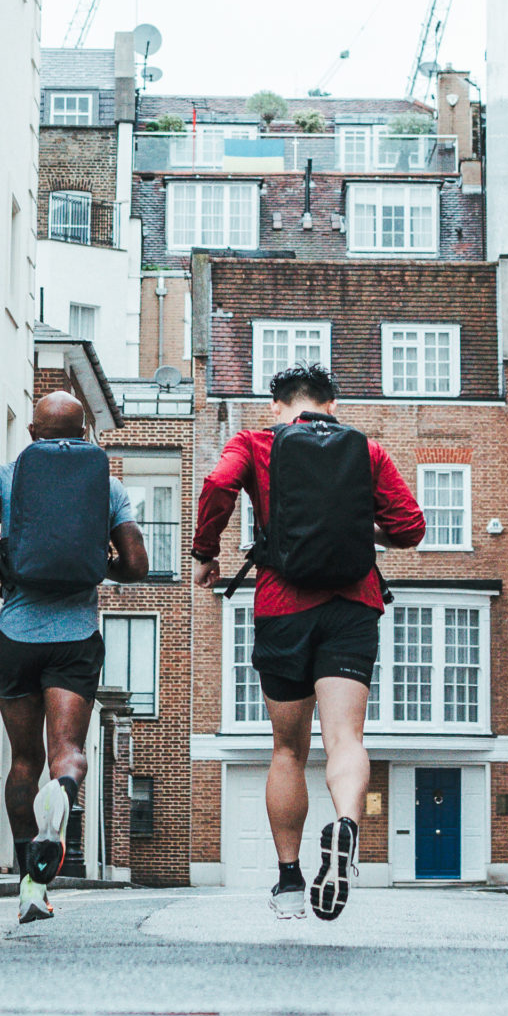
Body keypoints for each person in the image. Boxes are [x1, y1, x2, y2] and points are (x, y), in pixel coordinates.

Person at [190, 361, 425, 921]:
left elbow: (218, 484)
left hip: (283, 606)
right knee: (346, 738)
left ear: (279, 406)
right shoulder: (365, 451)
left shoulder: (255, 441)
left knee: (287, 749)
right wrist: (359, 526)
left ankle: (291, 881)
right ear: (332, 405)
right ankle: (345, 824)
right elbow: (411, 527)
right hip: (352, 607)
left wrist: (206, 553)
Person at [0, 391, 147, 925]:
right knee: (67, 752)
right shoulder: (106, 486)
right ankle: (64, 792)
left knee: (24, 760)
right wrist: (94, 563)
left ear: (34, 433)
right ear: (86, 430)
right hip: (76, 635)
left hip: (18, 635)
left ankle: (28, 883)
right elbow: (136, 565)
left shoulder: (6, 473)